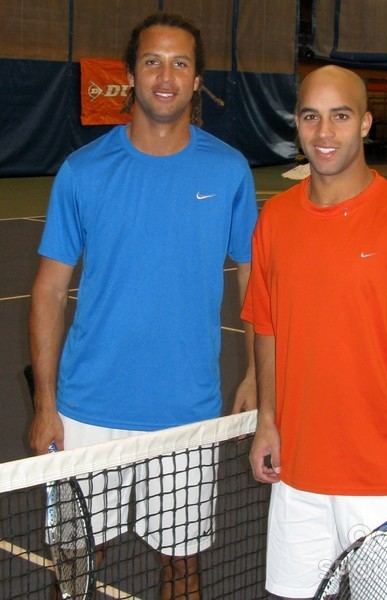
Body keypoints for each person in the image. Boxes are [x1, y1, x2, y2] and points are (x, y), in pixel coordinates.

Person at [28, 12, 257, 600]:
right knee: (76, 570)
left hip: (188, 414)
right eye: (152, 61)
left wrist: (258, 374)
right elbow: (50, 291)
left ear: (198, 80)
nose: (166, 75)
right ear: (130, 74)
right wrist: (46, 404)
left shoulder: (228, 171)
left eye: (180, 63)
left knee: (182, 569)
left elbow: (255, 282)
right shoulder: (83, 172)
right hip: (87, 413)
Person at [242, 65, 387, 599]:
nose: (324, 133)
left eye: (340, 116)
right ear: (297, 124)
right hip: (298, 474)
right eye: (311, 117)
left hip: (386, 481)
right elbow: (265, 326)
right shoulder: (277, 219)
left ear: (365, 123)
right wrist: (267, 420)